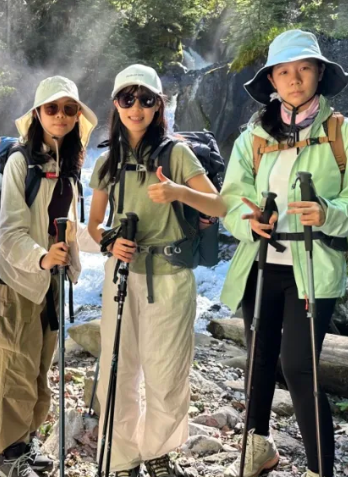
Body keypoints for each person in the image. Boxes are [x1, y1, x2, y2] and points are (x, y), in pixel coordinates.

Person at [220, 29, 348, 477]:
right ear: (272, 80)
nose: (294, 78)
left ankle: (322, 468)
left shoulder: (345, 134)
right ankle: (258, 447)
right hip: (260, 264)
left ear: (319, 72)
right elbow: (231, 199)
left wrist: (327, 212)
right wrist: (248, 221)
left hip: (314, 267)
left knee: (300, 368)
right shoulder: (253, 137)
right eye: (284, 71)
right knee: (259, 358)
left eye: (303, 68)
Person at [88, 64, 226, 477]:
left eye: (146, 99)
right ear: (116, 104)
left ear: (158, 106)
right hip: (121, 275)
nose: (136, 108)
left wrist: (178, 191)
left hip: (170, 275)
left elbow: (218, 205)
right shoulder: (108, 162)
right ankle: (121, 458)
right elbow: (94, 223)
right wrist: (110, 240)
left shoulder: (176, 153)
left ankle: (157, 453)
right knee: (120, 367)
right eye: (127, 99)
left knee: (166, 373)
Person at [0, 76, 98, 477]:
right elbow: (9, 234)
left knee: (39, 367)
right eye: (52, 108)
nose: (61, 116)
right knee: (14, 366)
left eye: (70, 109)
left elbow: (70, 228)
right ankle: (8, 456)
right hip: (19, 281)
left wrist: (107, 240)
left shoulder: (67, 166)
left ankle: (27, 442)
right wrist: (41, 257)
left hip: (50, 281)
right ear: (37, 114)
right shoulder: (21, 162)